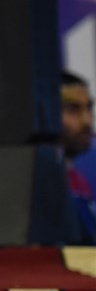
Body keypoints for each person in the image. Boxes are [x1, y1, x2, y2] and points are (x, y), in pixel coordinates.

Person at [61, 72, 95, 241]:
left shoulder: (79, 181)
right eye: (72, 109)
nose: (87, 121)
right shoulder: (36, 187)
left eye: (89, 108)